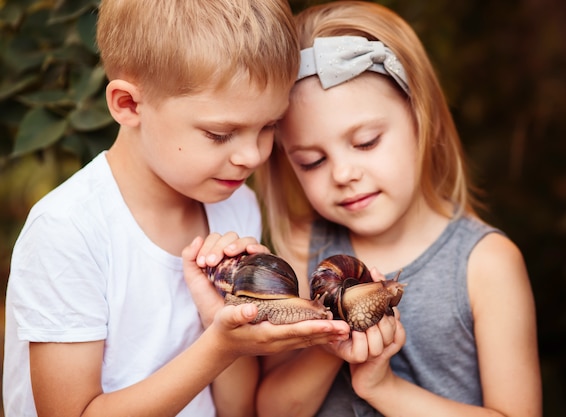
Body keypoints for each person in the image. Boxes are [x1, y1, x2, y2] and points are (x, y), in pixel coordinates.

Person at [2, 1, 351, 416]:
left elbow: (235, 409)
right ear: (129, 105)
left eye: (268, 126)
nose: (252, 156)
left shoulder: (236, 208)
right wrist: (218, 348)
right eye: (220, 134)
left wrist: (226, 329)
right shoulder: (68, 230)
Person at [254, 1, 542, 416]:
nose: (343, 173)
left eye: (367, 141)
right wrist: (329, 343)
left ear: (423, 120)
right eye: (312, 162)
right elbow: (271, 410)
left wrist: (383, 388)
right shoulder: (303, 250)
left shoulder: (485, 264)